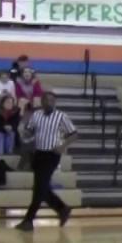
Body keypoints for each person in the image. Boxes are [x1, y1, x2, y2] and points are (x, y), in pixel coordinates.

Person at [15, 91, 78, 231]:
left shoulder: (61, 116)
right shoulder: (36, 115)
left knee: (39, 188)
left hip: (52, 155)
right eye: (46, 100)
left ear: (55, 102)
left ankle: (28, 220)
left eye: (51, 100)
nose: (48, 102)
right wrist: (24, 131)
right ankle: (62, 208)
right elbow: (30, 131)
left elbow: (74, 134)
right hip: (38, 154)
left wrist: (62, 146)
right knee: (41, 188)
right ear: (42, 102)